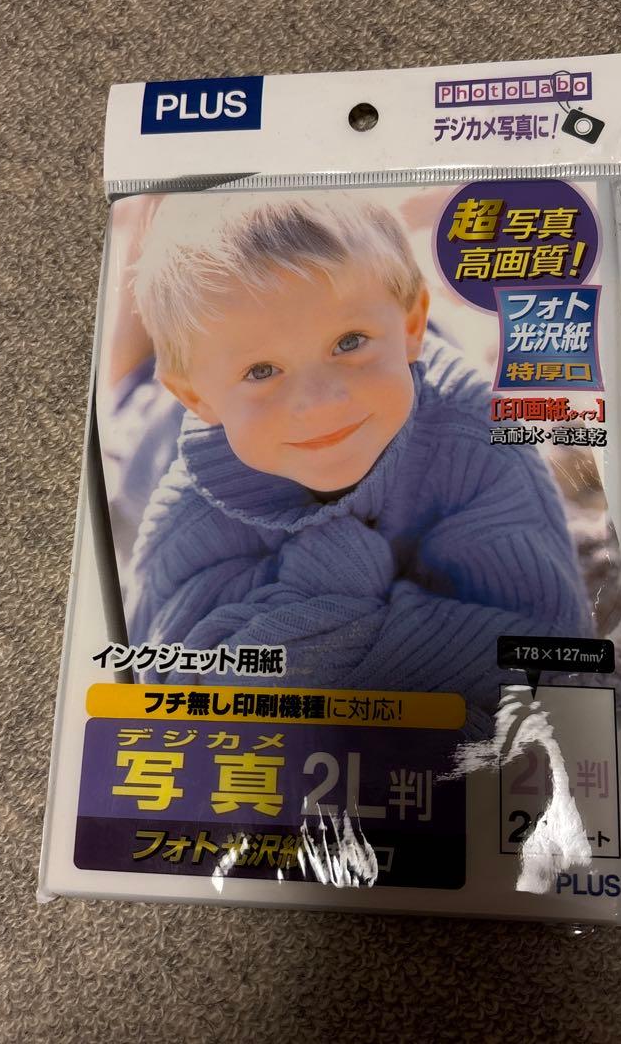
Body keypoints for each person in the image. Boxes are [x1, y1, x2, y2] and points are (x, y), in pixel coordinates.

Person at [117, 190, 589, 717]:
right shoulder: (190, 505)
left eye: (348, 344)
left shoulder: (471, 435)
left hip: (408, 359)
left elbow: (546, 645)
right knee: (121, 388)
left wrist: (326, 616)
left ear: (410, 329)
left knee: (357, 295)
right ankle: (150, 202)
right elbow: (167, 681)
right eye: (263, 371)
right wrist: (347, 586)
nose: (320, 401)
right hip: (150, 430)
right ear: (198, 399)